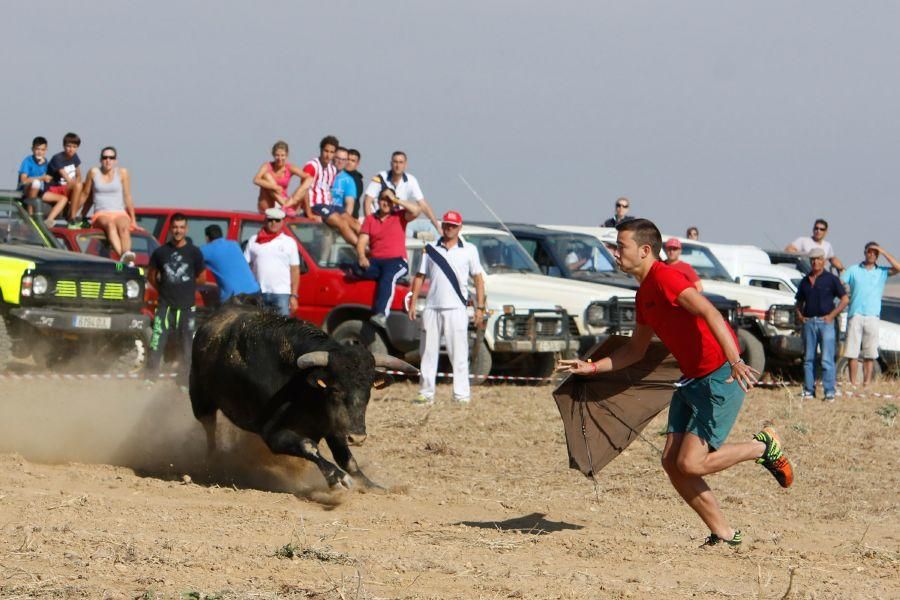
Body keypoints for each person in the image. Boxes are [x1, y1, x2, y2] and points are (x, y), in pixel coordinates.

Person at [557, 218, 793, 547]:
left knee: (690, 463)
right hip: (691, 379)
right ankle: (723, 534)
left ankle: (762, 447)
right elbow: (634, 351)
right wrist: (592, 367)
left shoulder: (666, 278)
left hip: (719, 375)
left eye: (620, 247)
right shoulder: (644, 295)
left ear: (644, 250)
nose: (616, 254)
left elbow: (711, 313)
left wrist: (736, 360)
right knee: (671, 463)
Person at [408, 210, 486, 405]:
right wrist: (413, 300)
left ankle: (461, 395)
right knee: (427, 352)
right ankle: (425, 394)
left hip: (456, 309)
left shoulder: (469, 250)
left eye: (453, 225)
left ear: (460, 227)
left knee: (459, 353)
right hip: (432, 307)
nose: (449, 228)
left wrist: (480, 307)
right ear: (442, 226)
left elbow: (478, 279)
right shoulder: (430, 248)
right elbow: (419, 275)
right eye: (447, 225)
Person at [146, 213, 206, 382]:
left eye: (181, 227)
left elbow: (202, 277)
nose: (178, 231)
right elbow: (151, 276)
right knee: (157, 342)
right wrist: (164, 289)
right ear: (170, 229)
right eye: (175, 227)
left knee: (187, 346)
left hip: (187, 307)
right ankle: (149, 379)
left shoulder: (194, 253)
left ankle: (184, 381)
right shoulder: (160, 252)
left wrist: (185, 286)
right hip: (165, 306)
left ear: (186, 229)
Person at [356, 188, 422, 328]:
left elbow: (417, 210)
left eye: (388, 200)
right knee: (356, 270)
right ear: (378, 201)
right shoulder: (370, 219)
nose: (385, 203)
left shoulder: (400, 216)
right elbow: (362, 241)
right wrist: (362, 256)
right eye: (383, 200)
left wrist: (395, 199)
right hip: (376, 261)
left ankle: (381, 314)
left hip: (396, 260)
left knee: (387, 276)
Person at [840, 242, 900, 386]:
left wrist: (883, 252)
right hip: (855, 314)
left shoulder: (881, 272)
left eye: (875, 253)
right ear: (865, 252)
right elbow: (839, 282)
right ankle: (853, 382)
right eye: (869, 252)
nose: (872, 254)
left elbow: (898, 268)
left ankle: (867, 382)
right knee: (852, 351)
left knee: (870, 352)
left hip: (873, 316)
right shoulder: (854, 270)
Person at [794, 247, 849, 401]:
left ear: (823, 261)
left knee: (826, 359)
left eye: (818, 259)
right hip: (809, 323)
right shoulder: (805, 280)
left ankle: (829, 391)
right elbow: (799, 301)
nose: (815, 262)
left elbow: (844, 299)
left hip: (826, 323)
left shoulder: (831, 279)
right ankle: (809, 391)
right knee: (808, 359)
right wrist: (800, 315)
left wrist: (832, 315)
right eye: (813, 259)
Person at [78, 146, 138, 265]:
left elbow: (127, 196)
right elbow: (86, 195)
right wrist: (78, 215)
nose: (108, 160)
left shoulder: (122, 173)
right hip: (101, 213)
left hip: (119, 212)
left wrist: (133, 220)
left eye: (111, 158)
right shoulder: (94, 172)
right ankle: (125, 259)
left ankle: (126, 257)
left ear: (115, 160)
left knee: (124, 228)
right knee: (110, 225)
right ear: (101, 159)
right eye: (105, 157)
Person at [362, 151, 441, 231]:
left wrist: (437, 227)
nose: (398, 165)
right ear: (391, 163)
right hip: (379, 220)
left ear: (405, 165)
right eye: (395, 162)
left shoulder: (411, 180)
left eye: (401, 162)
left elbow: (423, 205)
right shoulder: (381, 177)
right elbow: (367, 201)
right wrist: (371, 224)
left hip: (396, 221)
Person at [244, 207, 300, 316]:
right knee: (258, 328)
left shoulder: (289, 242)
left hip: (282, 294)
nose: (273, 223)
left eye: (277, 220)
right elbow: (245, 265)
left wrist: (293, 296)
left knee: (281, 329)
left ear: (282, 222)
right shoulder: (253, 240)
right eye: (270, 220)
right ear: (265, 221)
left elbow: (295, 270)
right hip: (258, 293)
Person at [201, 224, 261, 303]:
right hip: (255, 292)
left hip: (235, 297)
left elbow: (190, 259)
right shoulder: (234, 244)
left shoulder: (206, 250)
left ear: (207, 238)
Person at [45, 132, 86, 230]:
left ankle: (79, 216)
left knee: (88, 188)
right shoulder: (58, 158)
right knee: (78, 186)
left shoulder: (74, 157)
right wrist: (77, 187)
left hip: (67, 188)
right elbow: (67, 179)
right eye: (69, 146)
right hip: (55, 188)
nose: (71, 149)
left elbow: (79, 175)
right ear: (64, 146)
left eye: (74, 147)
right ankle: (72, 218)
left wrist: (81, 187)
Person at [253, 140, 305, 215]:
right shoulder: (267, 166)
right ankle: (285, 205)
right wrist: (274, 187)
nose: (279, 158)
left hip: (283, 201)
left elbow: (307, 177)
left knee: (305, 188)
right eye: (277, 155)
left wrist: (297, 195)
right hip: (268, 204)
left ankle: (302, 211)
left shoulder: (290, 168)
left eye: (282, 155)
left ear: (287, 155)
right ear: (273, 155)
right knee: (266, 176)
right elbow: (256, 180)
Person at [328, 146, 362, 243]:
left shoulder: (348, 180)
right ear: (333, 158)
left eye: (343, 159)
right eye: (338, 158)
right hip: (323, 211)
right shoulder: (324, 173)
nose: (340, 162)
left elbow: (349, 205)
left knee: (357, 226)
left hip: (339, 214)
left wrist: (345, 223)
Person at [346, 148, 365, 222]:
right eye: (348, 159)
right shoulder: (337, 175)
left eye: (353, 161)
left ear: (357, 163)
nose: (349, 162)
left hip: (351, 218)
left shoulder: (357, 180)